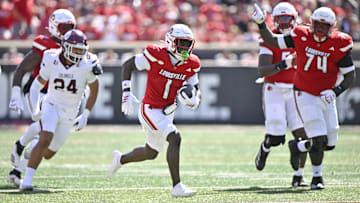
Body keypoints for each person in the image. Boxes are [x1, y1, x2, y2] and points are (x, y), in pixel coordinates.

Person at [252, 5, 356, 190]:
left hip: (320, 93)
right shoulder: (300, 36)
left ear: (332, 27)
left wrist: (335, 91)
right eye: (318, 25)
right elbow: (270, 44)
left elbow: (350, 75)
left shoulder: (339, 43)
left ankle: (298, 156)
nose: (320, 30)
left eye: (325, 26)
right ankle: (314, 176)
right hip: (298, 91)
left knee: (325, 142)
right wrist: (261, 24)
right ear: (311, 23)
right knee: (305, 136)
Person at [108, 24, 201, 197]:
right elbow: (128, 65)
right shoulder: (155, 55)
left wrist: (194, 99)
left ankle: (120, 159)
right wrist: (126, 92)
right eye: (181, 43)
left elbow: (194, 86)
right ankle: (177, 187)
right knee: (175, 138)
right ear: (171, 41)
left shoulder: (192, 63)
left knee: (151, 152)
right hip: (150, 109)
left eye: (188, 44)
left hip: (167, 112)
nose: (185, 48)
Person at [20, 29, 101, 191]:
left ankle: (36, 142)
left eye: (81, 50)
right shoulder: (51, 58)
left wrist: (86, 113)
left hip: (70, 112)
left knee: (49, 153)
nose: (79, 54)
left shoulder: (88, 63)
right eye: (75, 49)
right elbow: (36, 86)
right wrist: (35, 108)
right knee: (46, 138)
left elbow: (94, 88)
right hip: (51, 104)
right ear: (64, 47)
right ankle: (26, 181)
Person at [7, 9, 76, 187]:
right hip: (38, 91)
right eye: (64, 27)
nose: (68, 31)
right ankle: (21, 144)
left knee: (42, 141)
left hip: (57, 94)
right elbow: (21, 69)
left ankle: (17, 170)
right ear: (54, 27)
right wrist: (15, 94)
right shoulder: (44, 44)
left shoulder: (73, 45)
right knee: (44, 130)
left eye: (70, 27)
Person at [254, 2, 308, 187]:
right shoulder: (270, 38)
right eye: (280, 19)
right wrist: (284, 64)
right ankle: (265, 148)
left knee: (302, 133)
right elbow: (262, 70)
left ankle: (298, 176)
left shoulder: (302, 37)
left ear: (294, 19)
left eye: (287, 19)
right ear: (275, 21)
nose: (284, 23)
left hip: (296, 89)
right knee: (276, 136)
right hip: (274, 88)